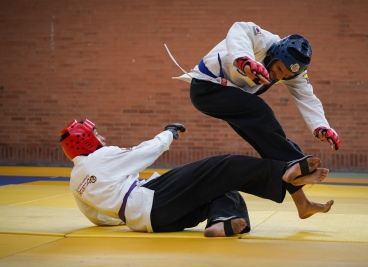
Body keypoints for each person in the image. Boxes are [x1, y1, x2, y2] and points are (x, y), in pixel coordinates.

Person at [168, 21, 339, 216]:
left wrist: (322, 127)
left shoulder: (293, 73)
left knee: (269, 142)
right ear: (275, 54)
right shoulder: (263, 40)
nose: (279, 76)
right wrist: (244, 60)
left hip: (230, 95)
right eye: (279, 69)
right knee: (260, 112)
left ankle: (303, 204)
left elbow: (306, 97)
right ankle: (298, 167)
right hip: (207, 88)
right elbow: (239, 29)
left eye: (286, 75)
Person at [59, 119, 331, 237]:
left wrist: (122, 217)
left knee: (224, 188)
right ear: (87, 142)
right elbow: (146, 152)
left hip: (148, 221)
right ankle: (284, 173)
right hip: (149, 198)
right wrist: (168, 134)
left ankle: (220, 223)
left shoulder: (75, 180)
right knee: (221, 166)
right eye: (98, 136)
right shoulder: (101, 157)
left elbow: (94, 216)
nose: (103, 138)